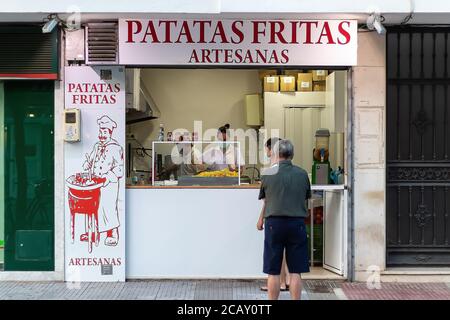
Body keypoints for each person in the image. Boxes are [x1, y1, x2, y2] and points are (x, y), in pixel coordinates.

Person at [257, 139, 311, 300]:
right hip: (297, 223)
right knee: (295, 270)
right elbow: (306, 198)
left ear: (275, 153)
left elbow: (265, 199)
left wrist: (260, 219)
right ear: (291, 154)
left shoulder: (267, 174)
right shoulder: (302, 174)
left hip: (274, 224)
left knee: (273, 270)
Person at [83, 115, 124, 246]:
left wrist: (107, 177)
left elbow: (119, 169)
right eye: (101, 131)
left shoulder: (116, 148)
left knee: (109, 209)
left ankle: (113, 234)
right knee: (95, 208)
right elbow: (91, 160)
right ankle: (93, 232)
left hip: (109, 184)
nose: (102, 134)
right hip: (96, 184)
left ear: (110, 133)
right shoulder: (96, 146)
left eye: (105, 132)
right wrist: (87, 164)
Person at [259, 137, 290, 292]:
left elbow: (267, 199)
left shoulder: (273, 169)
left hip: (276, 216)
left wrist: (261, 218)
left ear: (272, 149)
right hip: (289, 217)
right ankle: (284, 281)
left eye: (267, 148)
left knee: (276, 254)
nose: (266, 151)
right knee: (283, 252)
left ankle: (281, 283)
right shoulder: (280, 168)